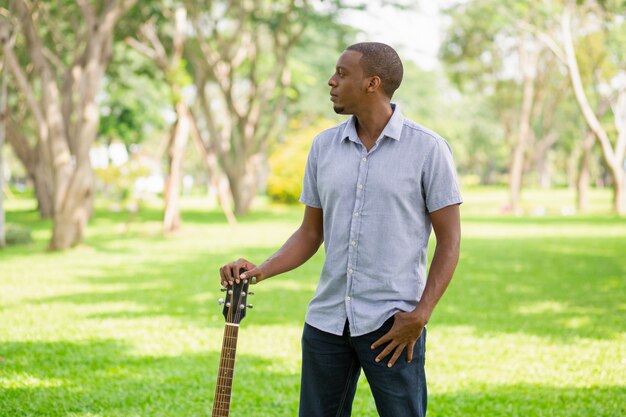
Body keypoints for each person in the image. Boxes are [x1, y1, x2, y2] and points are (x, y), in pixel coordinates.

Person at [219, 42, 462, 417]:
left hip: (392, 326)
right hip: (327, 322)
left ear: (372, 83)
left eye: (342, 73)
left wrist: (420, 315)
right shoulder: (323, 147)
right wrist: (259, 270)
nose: (331, 81)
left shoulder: (428, 149)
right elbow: (309, 234)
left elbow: (449, 241)